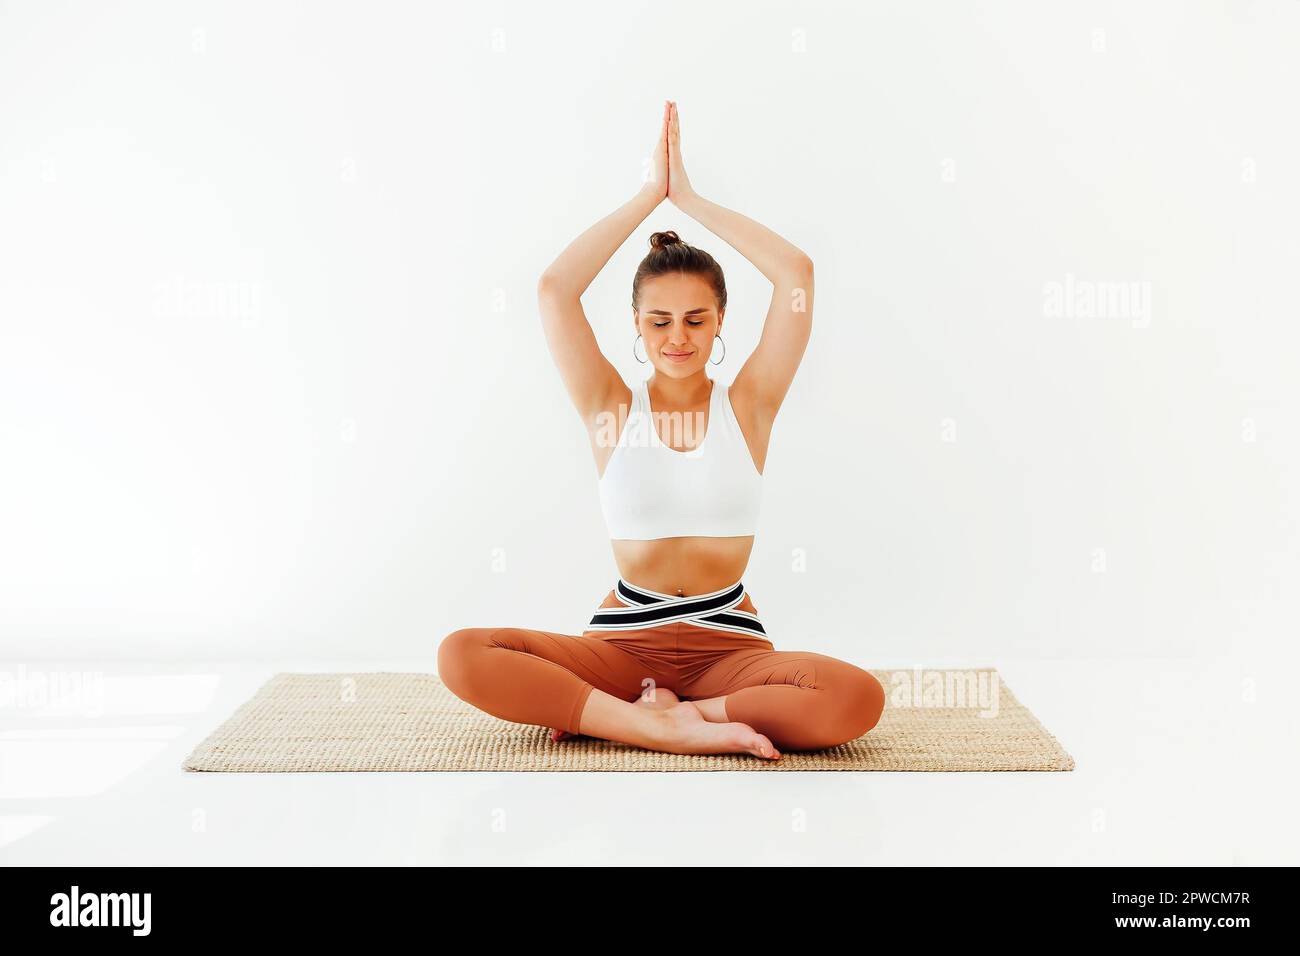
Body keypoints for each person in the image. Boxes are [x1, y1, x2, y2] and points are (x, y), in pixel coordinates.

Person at [437, 101, 884, 759]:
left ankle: (676, 714)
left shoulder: (750, 407)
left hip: (727, 650)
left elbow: (797, 275)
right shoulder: (611, 408)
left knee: (855, 698)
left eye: (697, 319)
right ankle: (648, 722)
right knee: (462, 655)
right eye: (660, 321)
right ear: (638, 324)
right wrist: (649, 198)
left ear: (722, 319)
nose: (678, 337)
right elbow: (555, 289)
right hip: (623, 648)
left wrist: (691, 201)